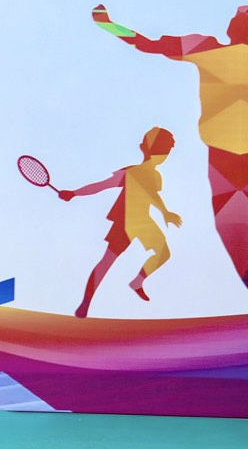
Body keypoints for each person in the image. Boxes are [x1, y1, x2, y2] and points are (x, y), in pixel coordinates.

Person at [94, 4, 248, 289]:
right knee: (235, 238)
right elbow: (147, 45)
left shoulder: (206, 47)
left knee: (235, 238)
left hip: (223, 159)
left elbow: (146, 44)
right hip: (224, 159)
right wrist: (108, 24)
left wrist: (108, 24)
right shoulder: (205, 48)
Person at [58, 127, 182, 317]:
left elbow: (152, 196)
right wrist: (74, 193)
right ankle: (86, 302)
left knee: (163, 253)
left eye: (165, 152)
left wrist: (165, 213)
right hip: (125, 222)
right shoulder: (130, 173)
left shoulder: (155, 176)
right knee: (106, 263)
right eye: (162, 150)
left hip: (142, 221)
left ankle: (137, 282)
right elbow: (102, 186)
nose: (163, 155)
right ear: (144, 148)